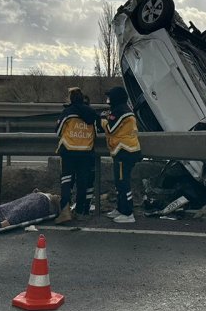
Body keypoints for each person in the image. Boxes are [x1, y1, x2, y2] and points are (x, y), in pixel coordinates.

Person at [54, 87, 98, 224]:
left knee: (66, 181)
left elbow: (58, 131)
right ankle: (80, 212)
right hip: (85, 152)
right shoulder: (92, 113)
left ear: (72, 99)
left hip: (69, 152)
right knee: (82, 182)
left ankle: (65, 211)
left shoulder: (67, 113)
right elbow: (97, 131)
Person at [99, 86, 141, 223]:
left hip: (125, 152)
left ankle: (128, 213)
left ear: (116, 98)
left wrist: (103, 120)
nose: (108, 100)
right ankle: (120, 208)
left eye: (110, 97)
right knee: (119, 183)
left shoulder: (121, 111)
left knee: (123, 183)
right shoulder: (120, 110)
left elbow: (111, 129)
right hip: (123, 151)